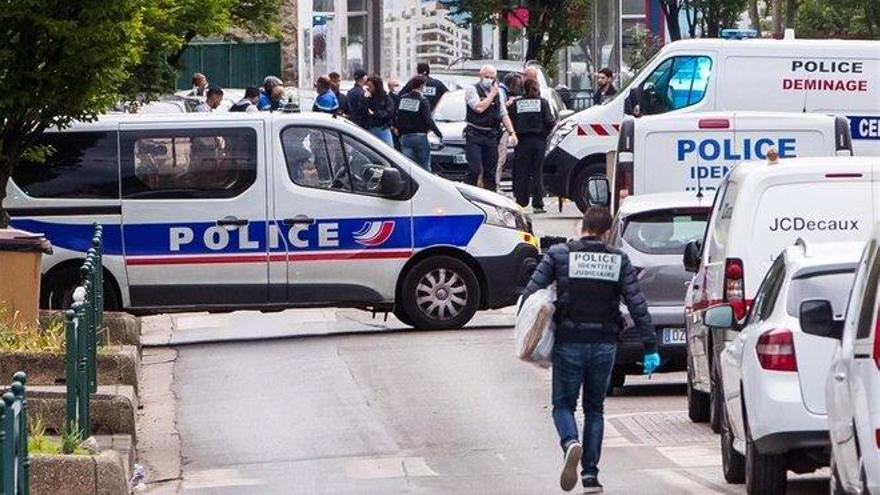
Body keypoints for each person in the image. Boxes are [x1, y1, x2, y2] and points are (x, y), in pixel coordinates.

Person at [521, 207, 660, 493]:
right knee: (595, 409)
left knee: (563, 405)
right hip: (605, 345)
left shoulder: (559, 254)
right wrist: (649, 346)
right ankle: (590, 477)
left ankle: (571, 442)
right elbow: (638, 305)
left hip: (569, 341)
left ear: (582, 227)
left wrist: (528, 328)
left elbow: (531, 293)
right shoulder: (619, 260)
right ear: (607, 233)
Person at [463, 64, 518, 192]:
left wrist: (512, 133)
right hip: (474, 134)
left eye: (491, 77)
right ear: (480, 76)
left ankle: (490, 199)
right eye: (486, 76)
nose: (489, 79)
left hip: (491, 136)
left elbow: (503, 114)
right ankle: (469, 194)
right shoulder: (472, 90)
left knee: (490, 172)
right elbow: (479, 108)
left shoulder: (498, 93)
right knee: (475, 169)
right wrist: (492, 94)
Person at [509, 78, 555, 212]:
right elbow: (549, 121)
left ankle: (521, 202)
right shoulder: (543, 103)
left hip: (522, 142)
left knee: (521, 171)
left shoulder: (516, 104)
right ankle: (538, 204)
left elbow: (510, 121)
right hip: (539, 141)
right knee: (537, 172)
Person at [396, 75, 443, 171]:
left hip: (405, 137)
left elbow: (398, 117)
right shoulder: (423, 100)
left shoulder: (403, 99)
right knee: (424, 167)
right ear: (422, 86)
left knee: (407, 167)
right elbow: (428, 119)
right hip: (420, 137)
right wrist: (438, 133)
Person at [496, 72, 524, 188]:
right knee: (499, 159)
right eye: (518, 85)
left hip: (501, 130)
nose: (519, 88)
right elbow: (501, 110)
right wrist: (510, 102)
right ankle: (496, 185)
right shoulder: (502, 92)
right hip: (500, 130)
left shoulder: (503, 92)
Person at [363, 76, 396, 147]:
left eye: (370, 86)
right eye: (367, 85)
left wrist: (375, 113)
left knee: (388, 150)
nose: (368, 88)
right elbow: (361, 110)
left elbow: (389, 113)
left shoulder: (385, 98)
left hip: (382, 128)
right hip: (370, 128)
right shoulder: (367, 97)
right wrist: (365, 99)